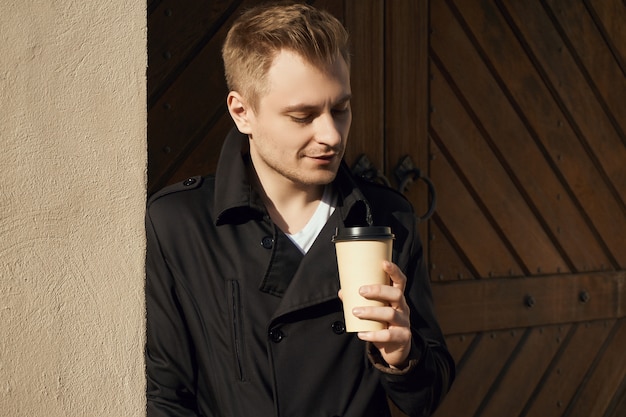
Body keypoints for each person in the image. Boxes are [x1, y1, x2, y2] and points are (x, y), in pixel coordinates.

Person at [145, 3, 454, 416]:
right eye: (303, 115)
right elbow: (166, 395)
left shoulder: (386, 218)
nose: (330, 134)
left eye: (340, 109)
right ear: (242, 112)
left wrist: (402, 355)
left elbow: (427, 398)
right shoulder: (180, 223)